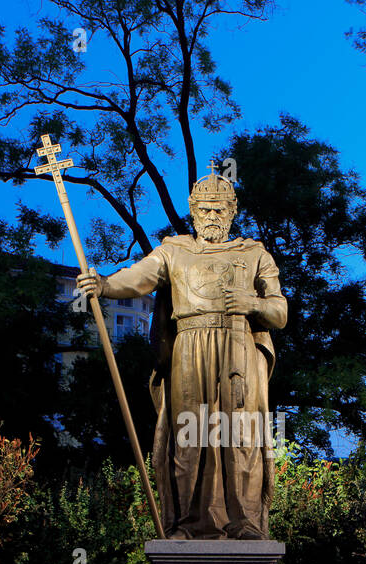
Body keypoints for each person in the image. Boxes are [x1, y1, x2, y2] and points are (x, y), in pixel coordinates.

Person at [77, 168, 287, 539]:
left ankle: (244, 523)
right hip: (190, 347)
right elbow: (139, 276)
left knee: (240, 437)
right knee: (188, 436)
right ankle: (186, 524)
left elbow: (280, 312)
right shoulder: (175, 251)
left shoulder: (254, 254)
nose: (212, 217)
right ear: (192, 211)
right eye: (205, 210)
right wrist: (105, 284)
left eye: (219, 210)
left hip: (238, 351)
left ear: (233, 210)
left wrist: (252, 302)